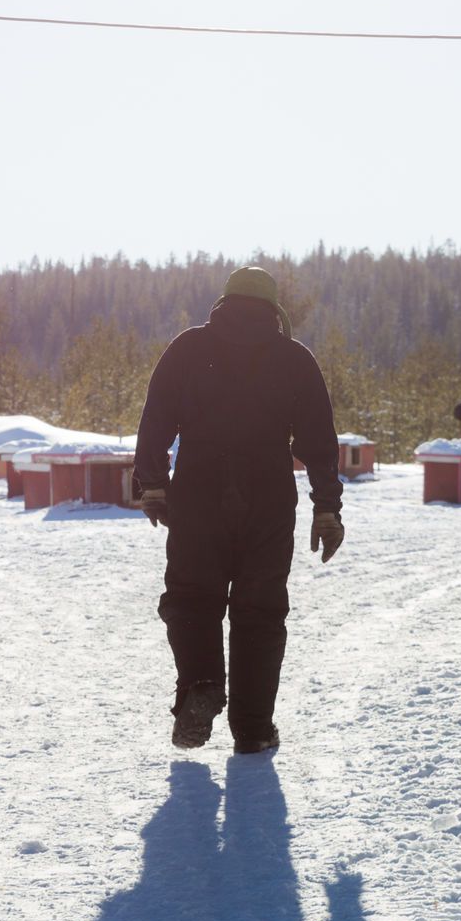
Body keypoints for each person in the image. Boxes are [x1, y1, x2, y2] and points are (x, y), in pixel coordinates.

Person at [133, 266, 345, 755]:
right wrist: (327, 507)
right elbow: (319, 442)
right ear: (274, 311)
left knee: (191, 597)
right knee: (260, 610)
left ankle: (203, 686)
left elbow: (156, 419)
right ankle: (252, 729)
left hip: (198, 490)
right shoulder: (294, 358)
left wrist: (153, 485)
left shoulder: (187, 348)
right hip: (268, 495)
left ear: (223, 304)